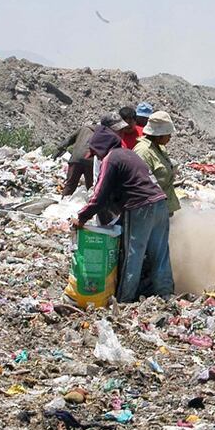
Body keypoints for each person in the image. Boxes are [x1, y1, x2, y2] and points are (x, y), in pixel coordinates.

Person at [72, 127, 173, 301]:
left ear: (102, 147)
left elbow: (100, 194)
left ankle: (126, 299)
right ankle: (165, 294)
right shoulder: (128, 154)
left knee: (133, 255)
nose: (97, 157)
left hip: (140, 207)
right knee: (160, 253)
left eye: (96, 153)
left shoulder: (111, 159)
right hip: (160, 202)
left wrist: (81, 218)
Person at [134, 111, 180, 215]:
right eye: (168, 134)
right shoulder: (143, 151)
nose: (170, 137)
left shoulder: (160, 148)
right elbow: (141, 183)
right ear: (159, 135)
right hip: (151, 209)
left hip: (163, 205)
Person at [53, 122, 97, 196]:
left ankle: (63, 203)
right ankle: (91, 204)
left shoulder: (83, 128)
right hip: (90, 161)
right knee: (91, 186)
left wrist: (59, 149)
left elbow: (69, 140)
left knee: (70, 185)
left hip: (75, 159)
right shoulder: (102, 132)